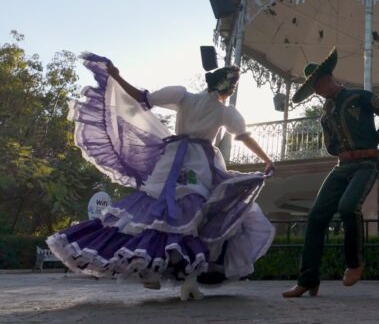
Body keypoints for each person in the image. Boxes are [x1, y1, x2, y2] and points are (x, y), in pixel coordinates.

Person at [46, 53, 275, 300]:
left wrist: (116, 75)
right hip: (197, 163)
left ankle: (152, 271)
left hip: (171, 159)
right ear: (228, 89)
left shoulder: (183, 96)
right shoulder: (224, 112)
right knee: (193, 215)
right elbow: (244, 136)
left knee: (155, 212)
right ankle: (187, 279)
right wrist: (266, 159)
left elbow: (142, 98)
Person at [282, 48, 379, 298]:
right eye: (315, 89)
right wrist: (335, 140)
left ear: (329, 77)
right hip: (341, 167)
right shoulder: (325, 114)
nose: (319, 90)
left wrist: (377, 138)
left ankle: (355, 264)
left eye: (320, 84)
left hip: (367, 164)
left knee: (348, 207)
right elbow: (331, 146)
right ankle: (308, 279)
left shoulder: (360, 96)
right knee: (315, 217)